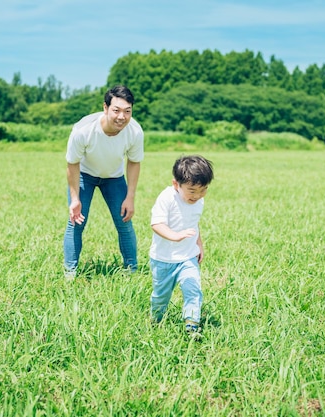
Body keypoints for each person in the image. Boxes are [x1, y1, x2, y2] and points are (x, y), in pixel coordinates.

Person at [63, 85, 144, 279]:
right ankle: (70, 273)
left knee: (124, 221)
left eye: (127, 111)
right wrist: (74, 199)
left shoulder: (134, 131)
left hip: (114, 178)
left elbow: (134, 162)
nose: (121, 117)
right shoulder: (83, 130)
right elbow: (72, 164)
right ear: (106, 108)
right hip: (85, 175)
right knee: (76, 222)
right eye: (116, 110)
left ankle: (131, 271)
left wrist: (130, 197)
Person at [149, 155, 214, 337]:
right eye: (192, 191)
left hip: (187, 256)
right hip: (163, 259)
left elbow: (194, 223)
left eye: (203, 190)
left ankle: (192, 325)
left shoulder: (199, 201)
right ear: (176, 184)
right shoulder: (167, 198)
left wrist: (199, 244)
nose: (198, 196)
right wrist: (175, 236)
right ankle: (156, 320)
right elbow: (157, 224)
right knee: (161, 296)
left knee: (193, 288)